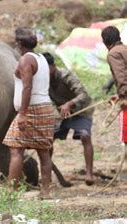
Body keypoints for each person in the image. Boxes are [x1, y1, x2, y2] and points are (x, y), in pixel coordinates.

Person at [3, 27, 54, 198]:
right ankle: (45, 191)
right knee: (44, 150)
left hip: (31, 109)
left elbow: (27, 87)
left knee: (16, 149)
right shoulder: (42, 59)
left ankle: (11, 191)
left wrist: (23, 114)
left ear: (19, 44)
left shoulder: (26, 60)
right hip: (46, 107)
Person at [42, 52, 95, 185]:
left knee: (85, 136)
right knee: (48, 140)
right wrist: (54, 114)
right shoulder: (41, 80)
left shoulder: (66, 75)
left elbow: (84, 95)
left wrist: (69, 104)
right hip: (61, 114)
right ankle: (46, 175)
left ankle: (89, 173)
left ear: (53, 66)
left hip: (80, 110)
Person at [101, 26, 127, 142]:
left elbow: (122, 77)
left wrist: (123, 96)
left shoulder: (113, 54)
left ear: (105, 41)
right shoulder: (125, 49)